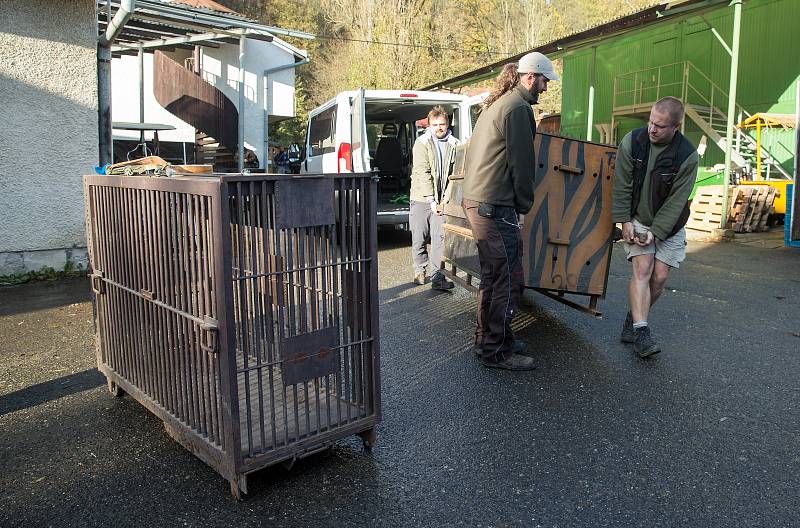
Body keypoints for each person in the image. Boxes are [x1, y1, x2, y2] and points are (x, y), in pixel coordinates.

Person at [461, 52, 559, 371]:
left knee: (492, 277)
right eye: (544, 81)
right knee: (508, 279)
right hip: (495, 204)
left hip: (478, 200)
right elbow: (522, 166)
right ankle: (497, 351)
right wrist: (524, 207)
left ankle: (486, 339)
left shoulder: (496, 104)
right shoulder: (517, 108)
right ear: (530, 76)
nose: (545, 87)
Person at [612, 96, 698, 358]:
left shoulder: (687, 156)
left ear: (676, 127)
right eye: (651, 122)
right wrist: (624, 220)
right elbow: (622, 184)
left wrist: (656, 232)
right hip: (637, 217)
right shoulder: (633, 142)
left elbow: (676, 201)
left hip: (670, 224)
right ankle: (641, 332)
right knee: (643, 269)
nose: (652, 129)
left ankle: (634, 316)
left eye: (660, 126)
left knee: (659, 278)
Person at [409, 106, 460, 290]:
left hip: (441, 200)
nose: (439, 128)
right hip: (421, 198)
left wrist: (445, 199)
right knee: (419, 236)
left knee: (439, 239)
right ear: (429, 125)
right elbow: (423, 173)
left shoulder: (455, 144)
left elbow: (454, 175)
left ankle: (437, 278)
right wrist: (431, 200)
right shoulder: (421, 143)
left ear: (448, 124)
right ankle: (419, 270)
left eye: (442, 124)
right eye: (435, 124)